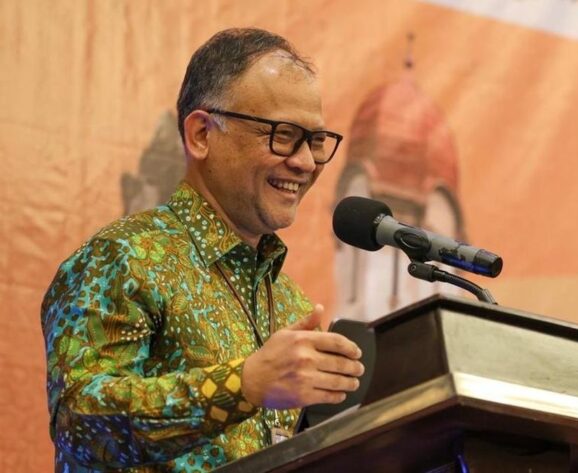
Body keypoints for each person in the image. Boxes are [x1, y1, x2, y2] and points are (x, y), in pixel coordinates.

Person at [40, 28, 364, 472]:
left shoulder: (291, 304)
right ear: (201, 134)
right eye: (284, 134)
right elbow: (79, 423)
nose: (305, 161)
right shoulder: (122, 257)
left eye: (316, 140)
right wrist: (243, 385)